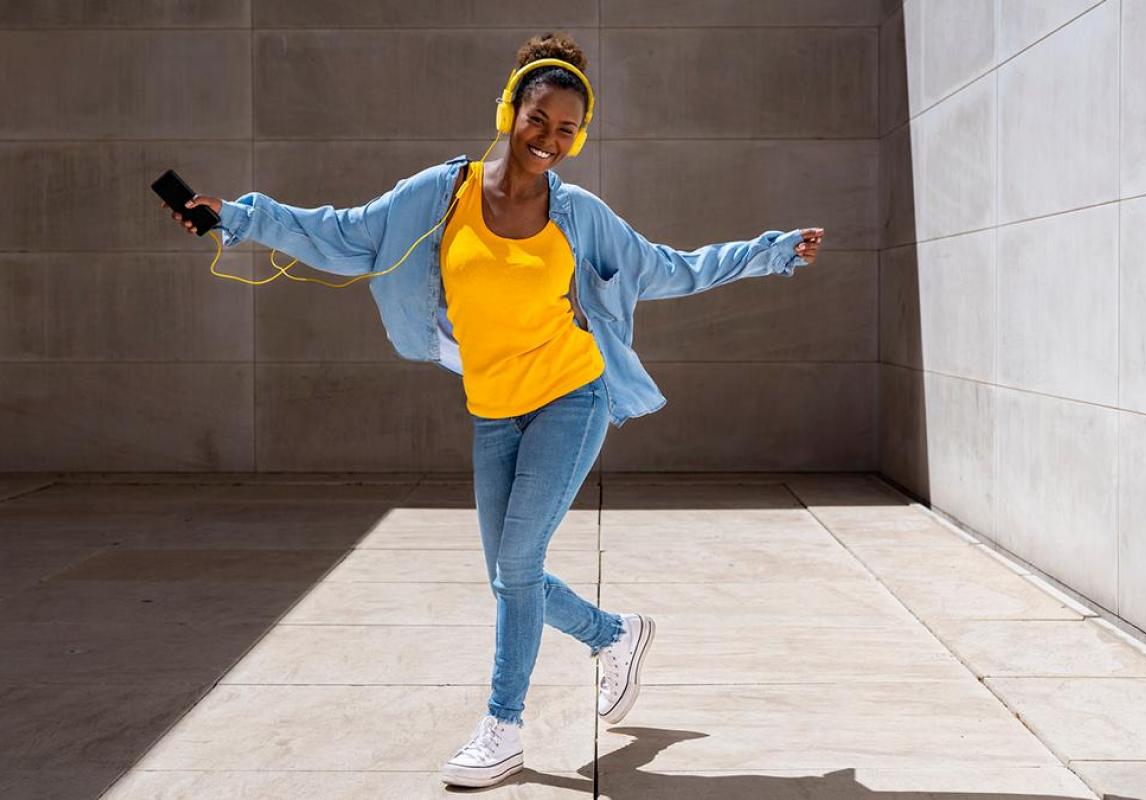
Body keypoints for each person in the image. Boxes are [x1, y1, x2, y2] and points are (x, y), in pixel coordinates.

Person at [165, 30, 823, 789]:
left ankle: (502, 728)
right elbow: (343, 233)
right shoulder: (442, 196)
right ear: (510, 108)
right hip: (492, 409)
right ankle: (616, 635)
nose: (550, 139)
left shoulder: (580, 215)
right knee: (511, 575)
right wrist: (239, 218)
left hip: (571, 396)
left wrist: (771, 251)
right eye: (539, 119)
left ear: (580, 137)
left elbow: (668, 268)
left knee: (516, 567)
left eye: (568, 130)